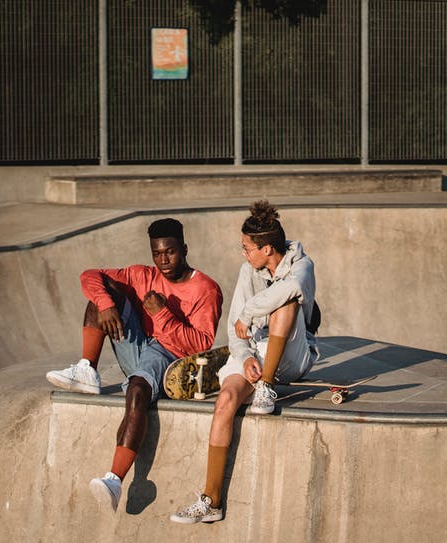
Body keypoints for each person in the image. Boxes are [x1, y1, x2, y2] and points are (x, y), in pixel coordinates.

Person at [45, 217, 223, 512]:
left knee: (137, 391)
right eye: (157, 253)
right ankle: (88, 369)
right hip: (138, 347)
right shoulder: (143, 276)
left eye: (170, 252)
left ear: (185, 249)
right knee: (101, 296)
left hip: (171, 358)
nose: (163, 261)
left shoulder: (206, 289)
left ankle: (115, 480)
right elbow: (89, 275)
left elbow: (199, 345)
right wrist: (106, 303)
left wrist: (163, 314)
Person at [170, 200, 318, 524]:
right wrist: (246, 356)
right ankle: (211, 499)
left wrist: (251, 312)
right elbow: (234, 326)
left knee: (286, 303)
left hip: (292, 356)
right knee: (224, 401)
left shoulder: (301, 266)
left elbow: (289, 289)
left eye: (247, 248)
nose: (243, 254)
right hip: (257, 351)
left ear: (267, 248)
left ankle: (266, 386)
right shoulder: (246, 272)